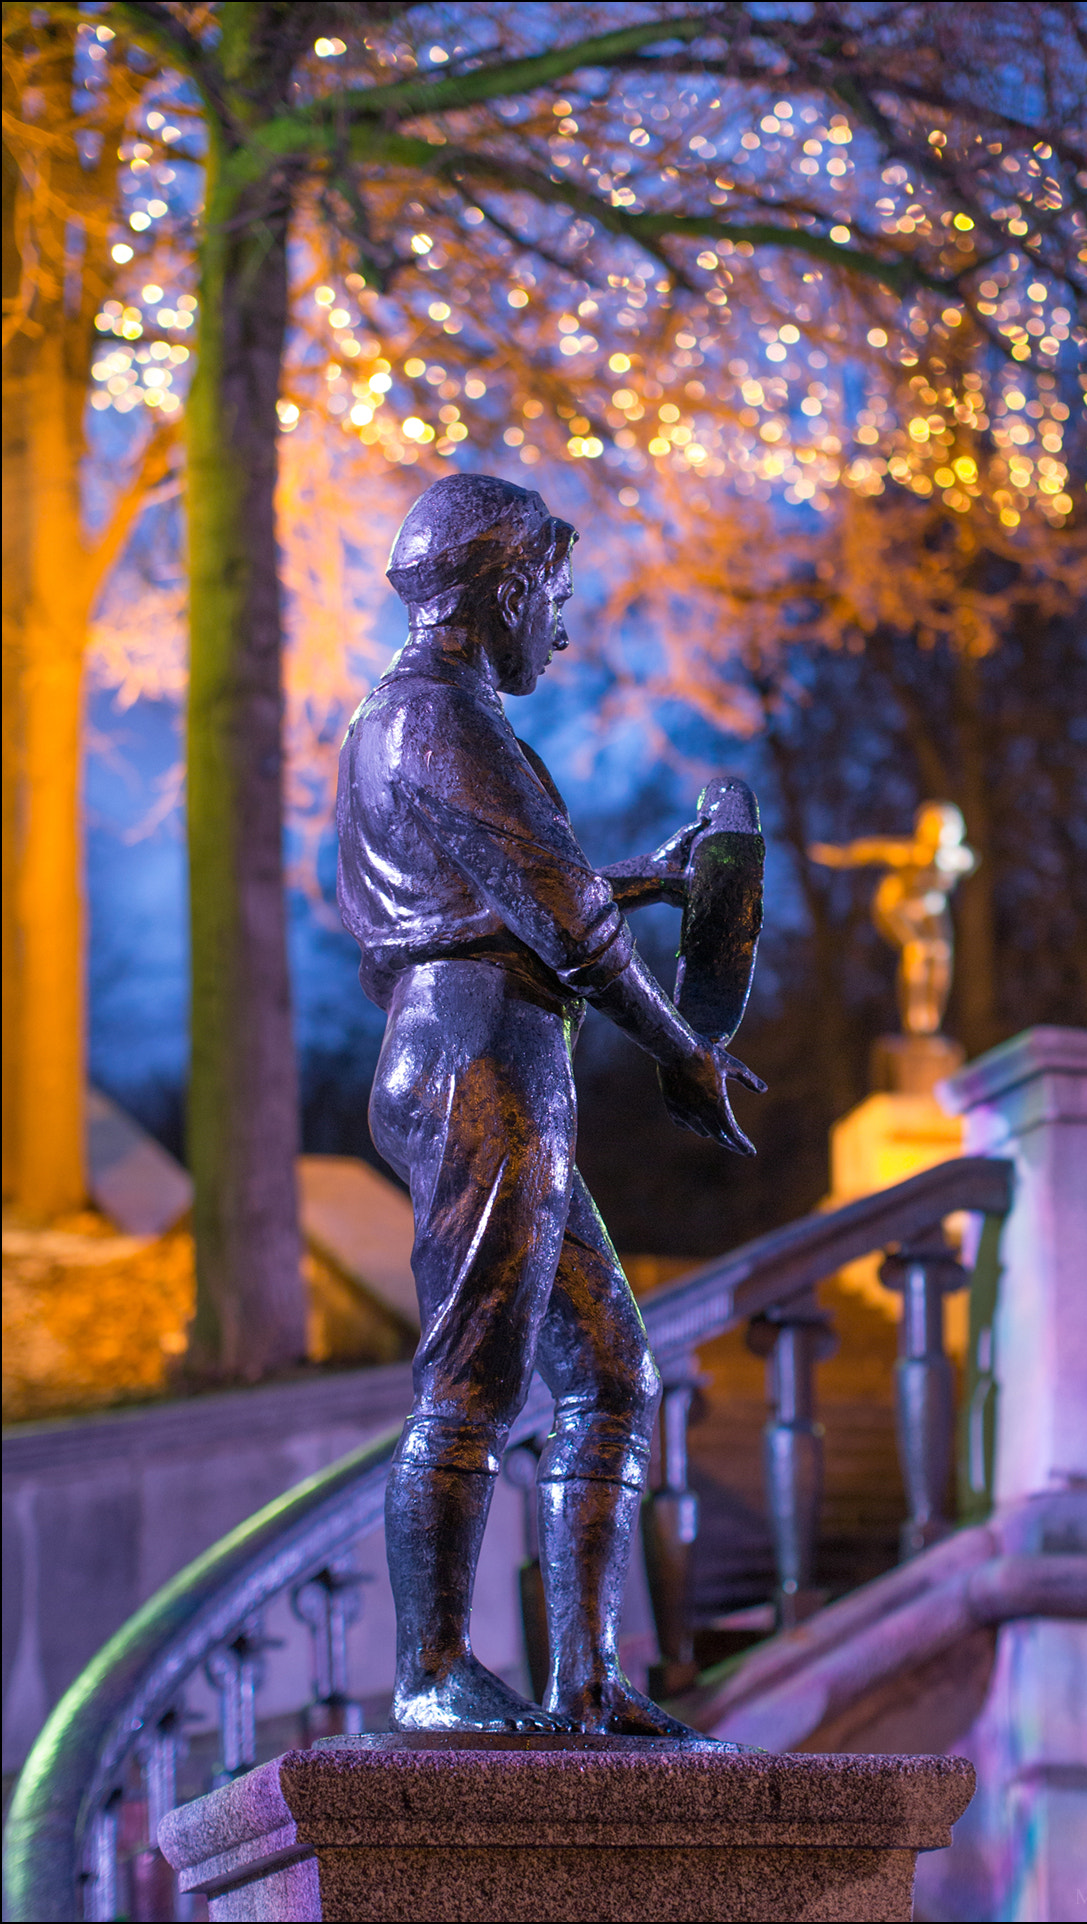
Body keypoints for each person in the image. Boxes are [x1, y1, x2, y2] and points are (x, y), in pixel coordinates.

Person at [335, 473, 763, 1738]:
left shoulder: (430, 718)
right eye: (557, 601)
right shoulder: (432, 718)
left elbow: (533, 891)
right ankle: (430, 1671)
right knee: (474, 1372)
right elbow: (563, 923)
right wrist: (683, 1046)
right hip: (477, 1056)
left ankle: (586, 1681)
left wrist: (649, 879)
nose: (564, 632)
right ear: (507, 589)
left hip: (499, 1049)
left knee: (615, 1372)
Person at [810, 803, 976, 1037]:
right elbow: (873, 850)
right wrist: (838, 855)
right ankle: (915, 1015)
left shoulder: (956, 856)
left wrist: (947, 859)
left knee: (941, 953)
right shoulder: (911, 852)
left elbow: (969, 861)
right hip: (895, 905)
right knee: (918, 948)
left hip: (929, 908)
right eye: (936, 828)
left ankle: (932, 1017)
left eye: (947, 828)